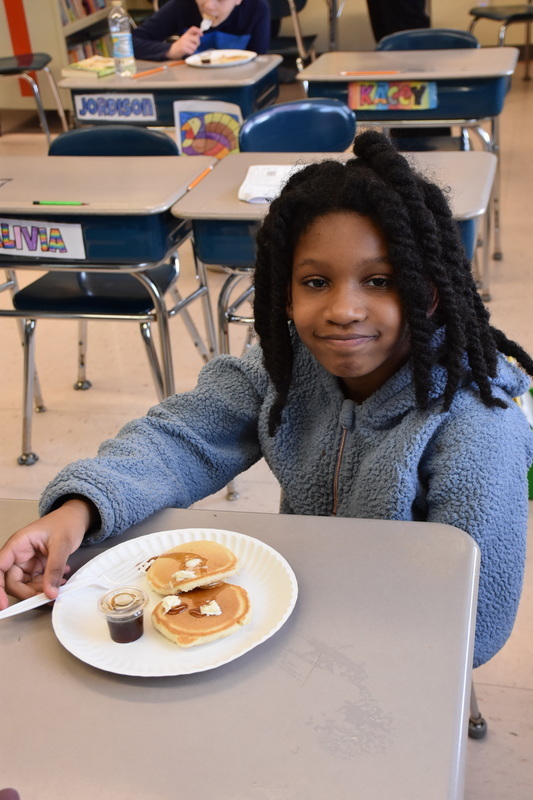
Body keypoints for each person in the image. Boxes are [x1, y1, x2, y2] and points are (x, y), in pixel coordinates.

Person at [1, 131, 532, 669]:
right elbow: (184, 436)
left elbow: (477, 622)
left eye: (379, 280)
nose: (343, 310)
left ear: (429, 293)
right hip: (293, 627)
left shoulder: (480, 429)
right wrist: (79, 508)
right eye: (316, 282)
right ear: (285, 292)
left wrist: (339, 645)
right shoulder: (288, 364)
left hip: (396, 657)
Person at [132, 0, 271, 61]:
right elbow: (130, 43)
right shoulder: (182, 5)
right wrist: (170, 50)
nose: (209, 6)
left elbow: (259, 61)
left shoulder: (256, 8)